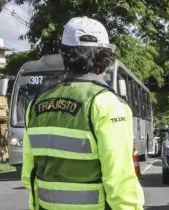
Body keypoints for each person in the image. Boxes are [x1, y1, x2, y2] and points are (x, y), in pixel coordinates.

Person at [21, 16, 144, 210]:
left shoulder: (36, 104)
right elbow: (120, 180)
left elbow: (30, 174)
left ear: (63, 54)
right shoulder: (107, 104)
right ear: (107, 57)